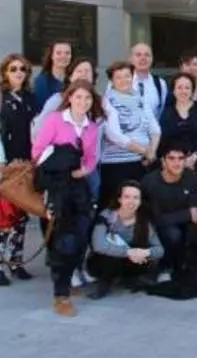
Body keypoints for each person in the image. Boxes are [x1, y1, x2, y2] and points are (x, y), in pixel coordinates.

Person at [31, 80, 104, 316]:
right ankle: (61, 295)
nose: (83, 102)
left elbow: (91, 158)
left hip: (79, 187)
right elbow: (37, 152)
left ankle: (65, 279)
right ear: (69, 98)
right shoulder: (55, 119)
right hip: (57, 187)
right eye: (78, 97)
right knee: (65, 241)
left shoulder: (91, 127)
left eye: (87, 98)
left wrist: (84, 170)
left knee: (81, 237)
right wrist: (62, 163)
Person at [87, 181, 165, 300]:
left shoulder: (144, 220)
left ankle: (130, 279)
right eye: (127, 197)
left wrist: (144, 252)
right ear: (119, 199)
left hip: (131, 263)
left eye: (136, 198)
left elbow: (159, 250)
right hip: (103, 263)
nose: (131, 201)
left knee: (148, 257)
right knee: (110, 255)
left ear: (140, 201)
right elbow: (98, 245)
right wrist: (128, 252)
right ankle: (104, 285)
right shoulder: (107, 216)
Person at [101, 61, 161, 207]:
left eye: (127, 76)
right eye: (118, 77)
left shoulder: (140, 99)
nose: (124, 80)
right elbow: (114, 135)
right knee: (117, 207)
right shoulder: (107, 101)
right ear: (112, 81)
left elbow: (155, 129)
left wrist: (152, 152)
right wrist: (145, 151)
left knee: (142, 208)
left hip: (142, 163)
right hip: (117, 165)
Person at [0, 54, 38, 282]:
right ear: (5, 72)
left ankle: (16, 263)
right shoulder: (1, 98)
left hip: (25, 164)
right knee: (4, 217)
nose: (18, 72)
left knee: (21, 216)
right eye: (13, 69)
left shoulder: (29, 98)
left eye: (22, 69)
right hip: (6, 165)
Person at [140, 144, 197, 282]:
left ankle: (189, 269)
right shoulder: (150, 182)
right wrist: (187, 214)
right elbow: (154, 219)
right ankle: (165, 268)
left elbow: (196, 215)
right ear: (163, 161)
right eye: (171, 158)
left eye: (181, 158)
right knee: (172, 233)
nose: (176, 163)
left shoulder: (192, 177)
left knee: (195, 231)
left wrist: (186, 215)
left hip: (182, 223)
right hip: (157, 228)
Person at [159, 73, 197, 173]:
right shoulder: (167, 112)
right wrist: (176, 160)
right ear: (173, 91)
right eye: (179, 87)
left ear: (192, 90)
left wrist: (194, 157)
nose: (183, 91)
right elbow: (163, 140)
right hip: (172, 164)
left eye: (187, 88)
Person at [127, 43, 168, 120]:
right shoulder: (120, 82)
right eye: (138, 55)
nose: (143, 58)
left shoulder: (160, 84)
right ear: (131, 59)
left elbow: (162, 112)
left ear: (152, 59)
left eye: (147, 55)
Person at [34, 41, 72, 109]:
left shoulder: (74, 78)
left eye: (67, 53)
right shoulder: (42, 81)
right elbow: (42, 108)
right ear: (51, 56)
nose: (63, 56)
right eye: (58, 53)